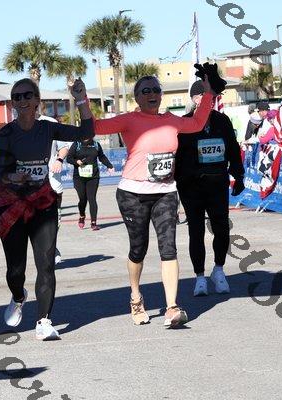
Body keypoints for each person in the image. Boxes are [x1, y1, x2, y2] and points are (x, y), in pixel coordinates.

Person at [91, 73, 216, 327]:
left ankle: (172, 306)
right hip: (132, 194)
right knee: (138, 249)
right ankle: (136, 296)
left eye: (156, 90)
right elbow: (96, 127)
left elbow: (197, 123)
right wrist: (82, 100)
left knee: (169, 248)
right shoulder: (129, 120)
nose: (152, 95)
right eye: (146, 91)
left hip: (165, 192)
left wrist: (208, 93)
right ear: (137, 98)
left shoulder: (171, 120)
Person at [0, 77, 93, 340]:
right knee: (16, 270)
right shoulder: (6, 134)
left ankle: (44, 321)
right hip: (11, 206)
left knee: (46, 264)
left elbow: (86, 132)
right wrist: (12, 177)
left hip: (42, 203)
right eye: (17, 97)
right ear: (13, 103)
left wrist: (81, 99)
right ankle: (18, 296)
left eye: (27, 95)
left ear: (36, 101)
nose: (22, 100)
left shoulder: (47, 128)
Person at [175, 80, 245, 297]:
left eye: (212, 96)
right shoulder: (184, 123)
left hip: (217, 183)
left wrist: (238, 176)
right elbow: (177, 157)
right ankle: (199, 277)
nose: (209, 100)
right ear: (194, 99)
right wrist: (176, 187)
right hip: (192, 187)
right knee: (195, 231)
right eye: (204, 96)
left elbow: (232, 149)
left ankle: (219, 269)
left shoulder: (222, 121)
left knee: (221, 228)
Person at [37, 111, 71, 265]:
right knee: (37, 224)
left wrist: (59, 160)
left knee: (53, 223)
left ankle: (51, 248)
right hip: (29, 187)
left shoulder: (50, 123)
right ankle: (49, 249)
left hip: (53, 184)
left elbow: (64, 147)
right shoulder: (15, 126)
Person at [66, 137, 114, 230]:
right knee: (83, 199)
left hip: (93, 176)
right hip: (79, 177)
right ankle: (82, 215)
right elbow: (69, 158)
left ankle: (93, 222)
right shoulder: (77, 144)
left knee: (92, 198)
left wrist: (109, 165)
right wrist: (76, 161)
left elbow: (101, 156)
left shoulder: (96, 144)